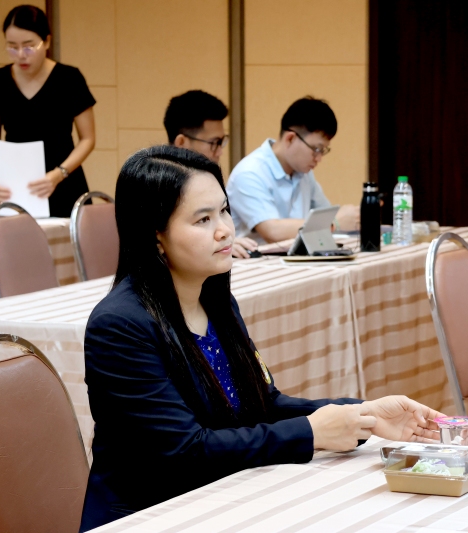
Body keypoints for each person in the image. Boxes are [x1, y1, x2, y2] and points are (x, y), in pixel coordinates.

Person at [79, 145, 442, 530]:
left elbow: (264, 405)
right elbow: (184, 451)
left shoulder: (215, 301)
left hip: (220, 499)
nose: (225, 229)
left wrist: (364, 414)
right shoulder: (120, 325)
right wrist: (312, 432)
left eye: (224, 211)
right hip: (150, 516)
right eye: (203, 219)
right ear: (155, 235)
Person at [0, 5, 96, 217]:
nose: (21, 55)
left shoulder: (69, 78)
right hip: (14, 186)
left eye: (29, 47)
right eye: (12, 47)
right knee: (8, 236)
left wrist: (59, 174)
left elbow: (88, 139)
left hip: (64, 182)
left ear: (47, 42)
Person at [226, 96, 360, 244]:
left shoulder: (304, 173)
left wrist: (355, 218)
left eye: (323, 151)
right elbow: (272, 231)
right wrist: (334, 223)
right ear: (290, 138)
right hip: (260, 257)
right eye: (316, 149)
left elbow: (325, 213)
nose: (319, 158)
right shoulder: (249, 173)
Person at [164, 90, 259, 258]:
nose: (220, 152)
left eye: (222, 142)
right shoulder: (154, 187)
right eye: (214, 143)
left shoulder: (208, 182)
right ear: (181, 142)